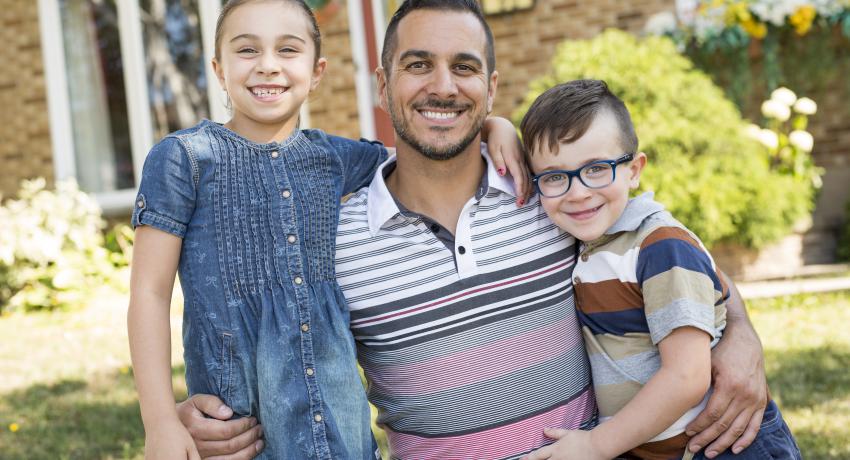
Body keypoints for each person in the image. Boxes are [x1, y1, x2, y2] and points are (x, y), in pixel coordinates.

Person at [176, 1, 770, 459]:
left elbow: (666, 253)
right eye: (418, 66)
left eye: (463, 67)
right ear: (383, 85)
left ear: (490, 87)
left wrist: (742, 337)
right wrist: (189, 414)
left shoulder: (551, 194)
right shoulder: (333, 235)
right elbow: (281, 347)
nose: (443, 86)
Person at [127, 0, 526, 459]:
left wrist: (494, 125)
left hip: (344, 439)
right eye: (247, 50)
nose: (268, 66)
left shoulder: (333, 159)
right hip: (239, 433)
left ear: (317, 72)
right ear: (218, 69)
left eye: (287, 50)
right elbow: (149, 295)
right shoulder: (184, 159)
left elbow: (421, 155)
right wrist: (159, 421)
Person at [519, 79, 801, 460]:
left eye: (597, 169)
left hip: (725, 444)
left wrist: (596, 445)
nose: (578, 192)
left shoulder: (661, 246)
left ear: (634, 170)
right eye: (555, 177)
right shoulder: (593, 244)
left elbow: (686, 377)